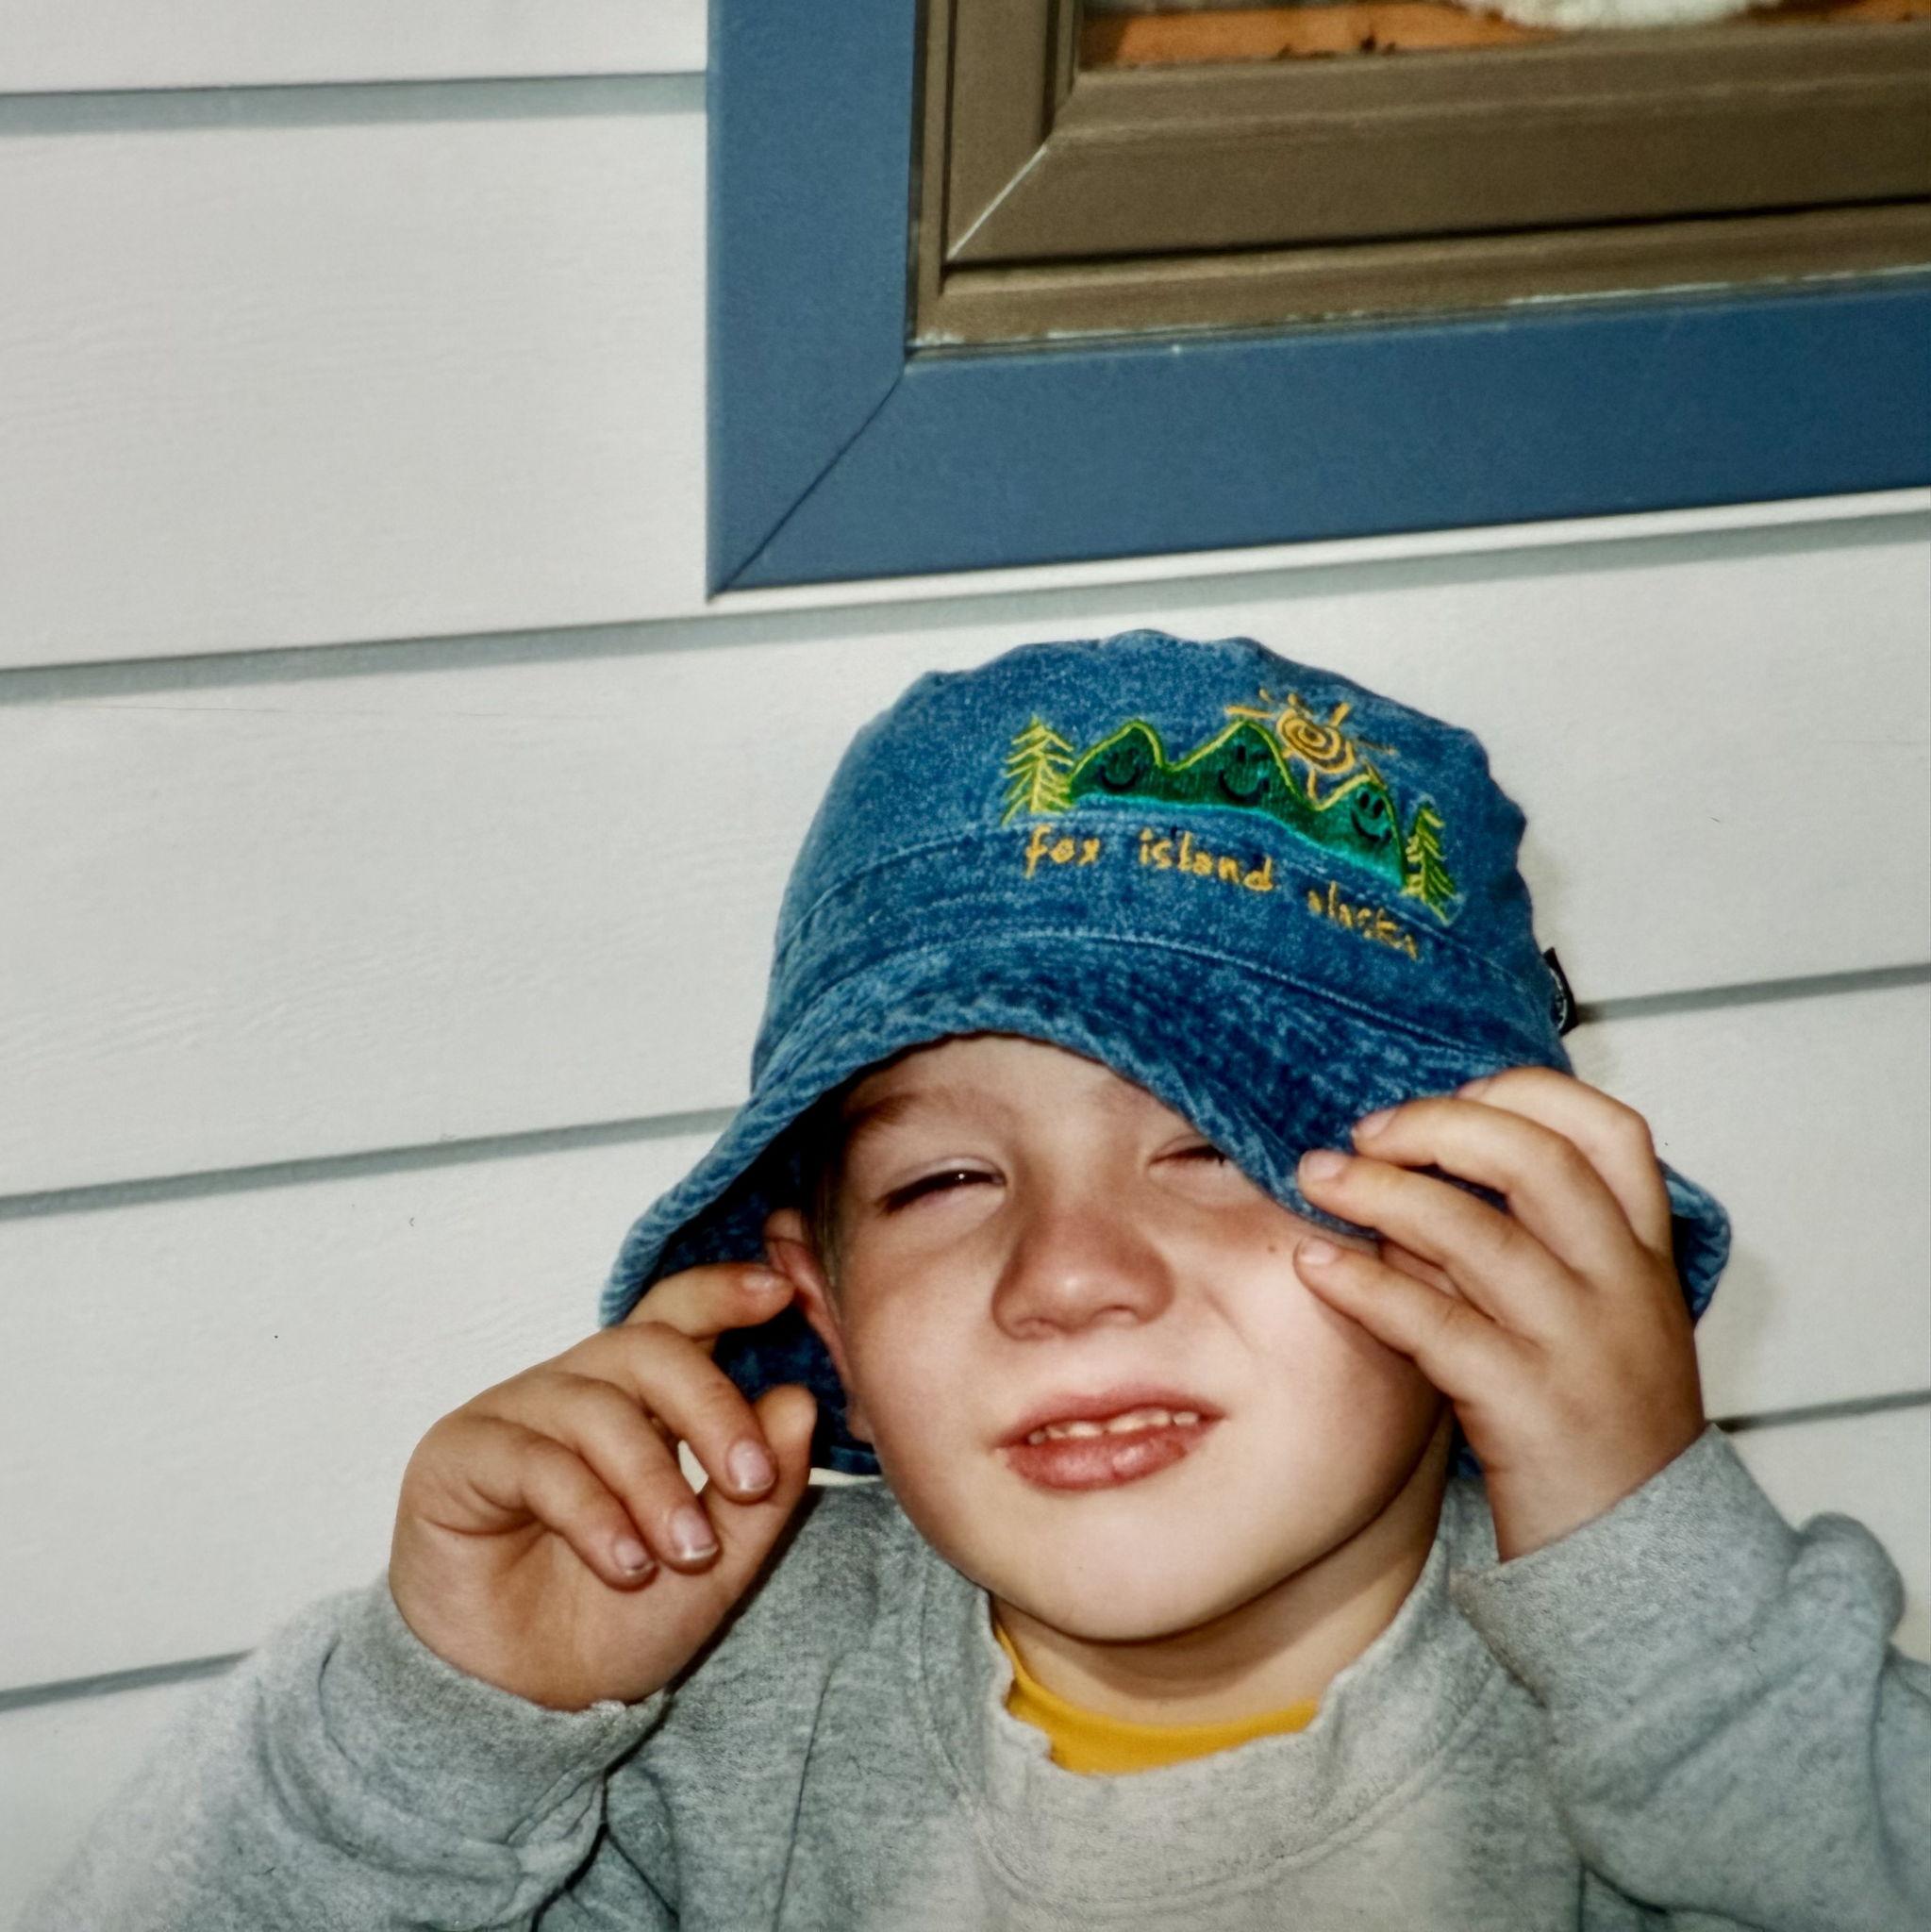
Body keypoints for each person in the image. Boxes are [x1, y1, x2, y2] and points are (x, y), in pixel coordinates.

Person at [23, 627, 1929, 1930]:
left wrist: (1662, 1593)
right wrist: (444, 1722)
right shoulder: (702, 1721)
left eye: (1215, 1146)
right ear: (818, 1304)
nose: (1068, 1276)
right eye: (943, 1178)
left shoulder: (1674, 1720)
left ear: (1491, 1244)